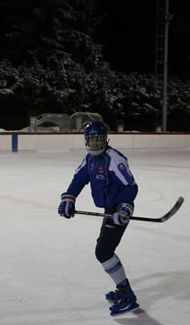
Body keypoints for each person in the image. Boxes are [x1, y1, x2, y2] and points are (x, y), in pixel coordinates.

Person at [58, 121, 140, 315]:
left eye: (98, 140)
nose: (94, 144)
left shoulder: (114, 158)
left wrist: (125, 207)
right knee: (104, 249)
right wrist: (69, 197)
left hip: (119, 208)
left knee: (103, 251)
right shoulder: (89, 159)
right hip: (109, 209)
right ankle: (123, 289)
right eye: (91, 140)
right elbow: (79, 178)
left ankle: (127, 294)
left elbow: (130, 186)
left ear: (105, 140)